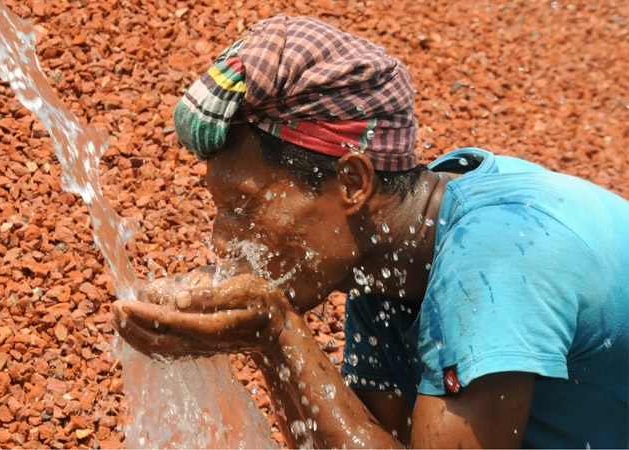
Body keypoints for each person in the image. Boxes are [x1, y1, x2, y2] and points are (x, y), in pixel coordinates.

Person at [112, 14, 629, 449]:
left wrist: (276, 331)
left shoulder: (493, 257)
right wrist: (265, 334)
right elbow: (376, 437)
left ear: (352, 182)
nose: (225, 240)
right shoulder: (388, 265)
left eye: (243, 205)